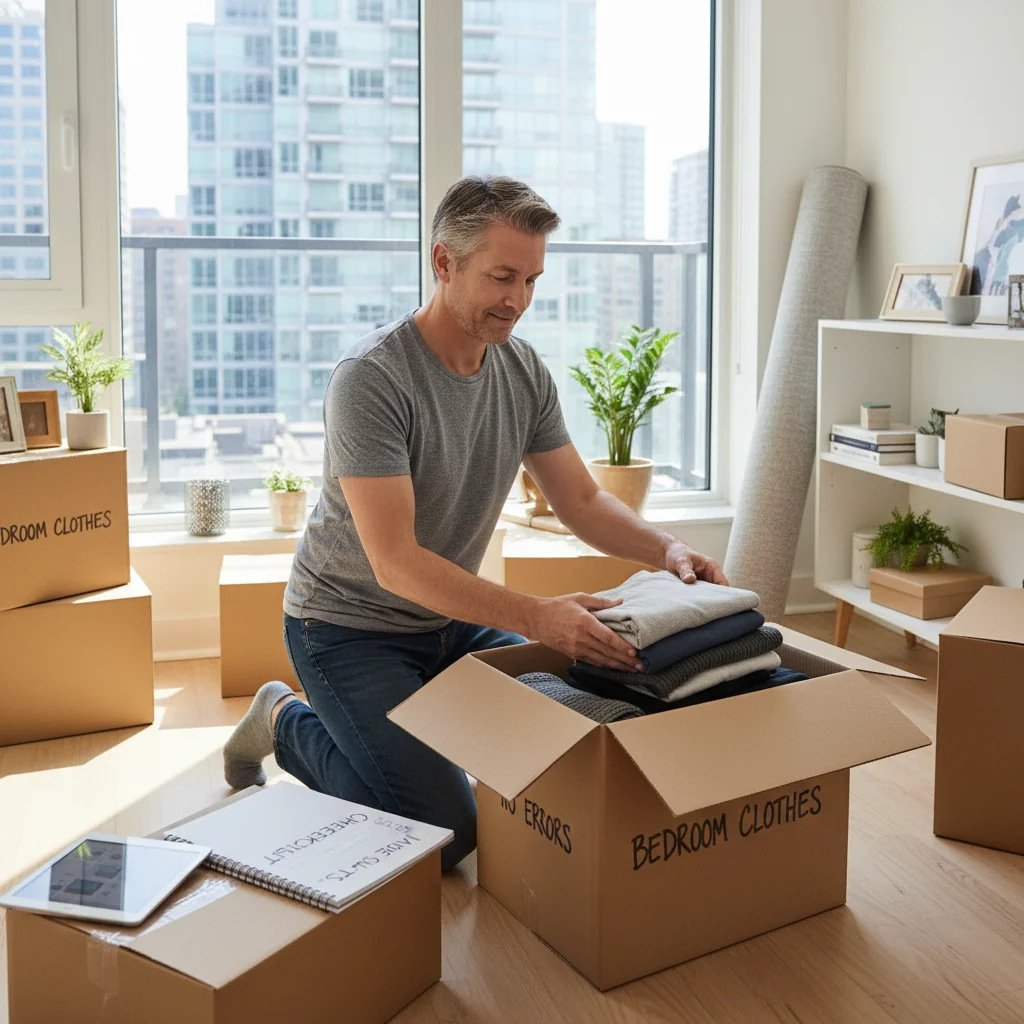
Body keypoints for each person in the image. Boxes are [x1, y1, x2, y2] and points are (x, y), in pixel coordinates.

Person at [223, 176, 727, 870]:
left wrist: (667, 547)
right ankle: (284, 722)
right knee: (446, 832)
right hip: (346, 631)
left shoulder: (521, 371)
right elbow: (394, 561)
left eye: (531, 279)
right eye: (501, 277)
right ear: (443, 263)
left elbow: (580, 501)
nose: (518, 300)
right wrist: (538, 617)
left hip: (446, 621)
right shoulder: (371, 379)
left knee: (594, 708)